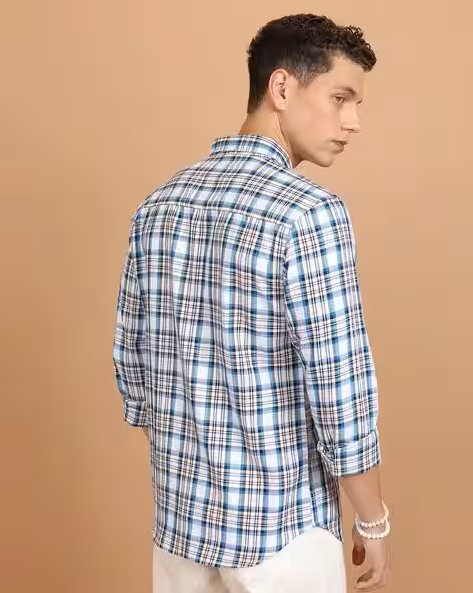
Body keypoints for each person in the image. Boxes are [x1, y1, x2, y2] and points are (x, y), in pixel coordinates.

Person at [112, 13, 392, 593]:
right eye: (340, 98)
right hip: (281, 534)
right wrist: (373, 519)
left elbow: (133, 371)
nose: (354, 122)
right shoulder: (309, 213)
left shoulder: (158, 206)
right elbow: (340, 388)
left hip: (179, 531)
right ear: (281, 87)